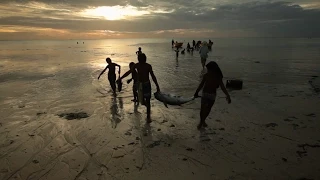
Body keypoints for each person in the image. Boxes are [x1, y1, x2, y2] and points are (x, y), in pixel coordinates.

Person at [117, 53, 160, 122]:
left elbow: (153, 76)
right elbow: (129, 72)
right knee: (141, 101)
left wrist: (157, 86)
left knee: (148, 101)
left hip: (147, 84)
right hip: (140, 85)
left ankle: (148, 116)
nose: (141, 60)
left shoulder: (148, 66)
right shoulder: (136, 65)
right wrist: (121, 78)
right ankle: (148, 108)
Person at [194, 61, 231, 130]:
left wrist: (227, 95)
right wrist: (196, 92)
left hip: (212, 95)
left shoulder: (218, 77)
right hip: (205, 94)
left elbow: (222, 87)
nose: (207, 71)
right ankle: (201, 122)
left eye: (209, 69)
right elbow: (201, 85)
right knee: (202, 109)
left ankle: (203, 121)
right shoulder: (206, 75)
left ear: (213, 69)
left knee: (208, 110)